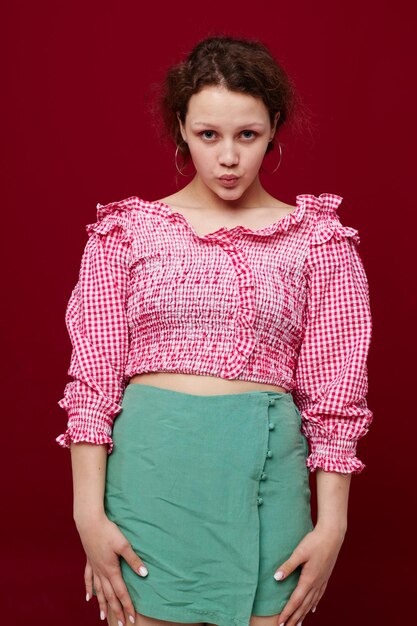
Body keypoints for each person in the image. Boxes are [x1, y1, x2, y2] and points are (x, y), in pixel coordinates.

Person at [56, 36, 373, 626]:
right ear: (181, 127)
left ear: (273, 127)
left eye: (246, 135)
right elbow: (92, 384)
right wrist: (87, 516)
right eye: (209, 135)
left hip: (266, 479)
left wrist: (333, 525)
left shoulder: (318, 241)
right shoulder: (123, 234)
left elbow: (336, 393)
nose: (228, 157)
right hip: (149, 478)